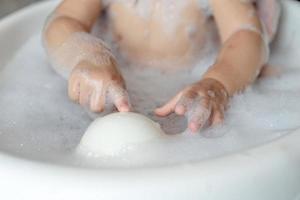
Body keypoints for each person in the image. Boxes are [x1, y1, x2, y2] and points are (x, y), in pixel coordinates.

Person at [43, 0, 281, 133]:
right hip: (115, 97)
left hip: (195, 100)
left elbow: (246, 34)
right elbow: (63, 21)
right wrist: (89, 55)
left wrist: (218, 83)